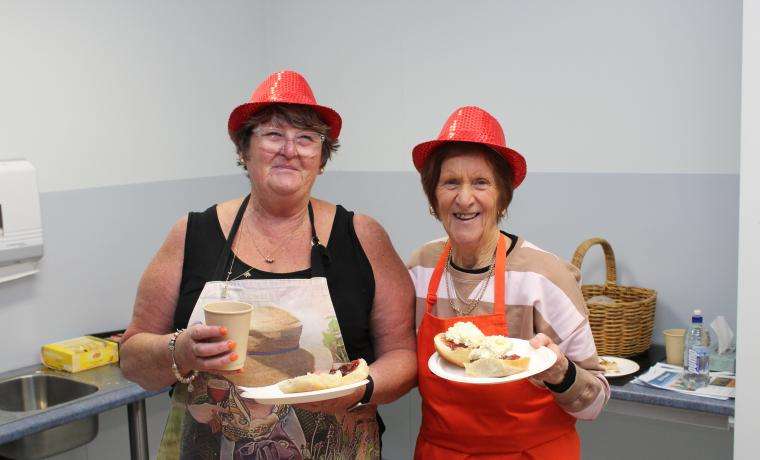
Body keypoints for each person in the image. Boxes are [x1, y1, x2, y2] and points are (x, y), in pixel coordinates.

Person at [120, 70, 416, 459]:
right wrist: (180, 351)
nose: (290, 150)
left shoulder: (362, 236)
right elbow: (132, 357)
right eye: (273, 135)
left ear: (322, 158)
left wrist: (359, 389)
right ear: (245, 150)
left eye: (307, 138)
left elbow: (403, 355)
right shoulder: (193, 234)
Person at [408, 106, 610, 459]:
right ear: (433, 197)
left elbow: (595, 402)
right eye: (450, 182)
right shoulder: (420, 268)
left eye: (481, 182)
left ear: (502, 197)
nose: (464, 198)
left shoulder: (543, 276)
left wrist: (561, 372)